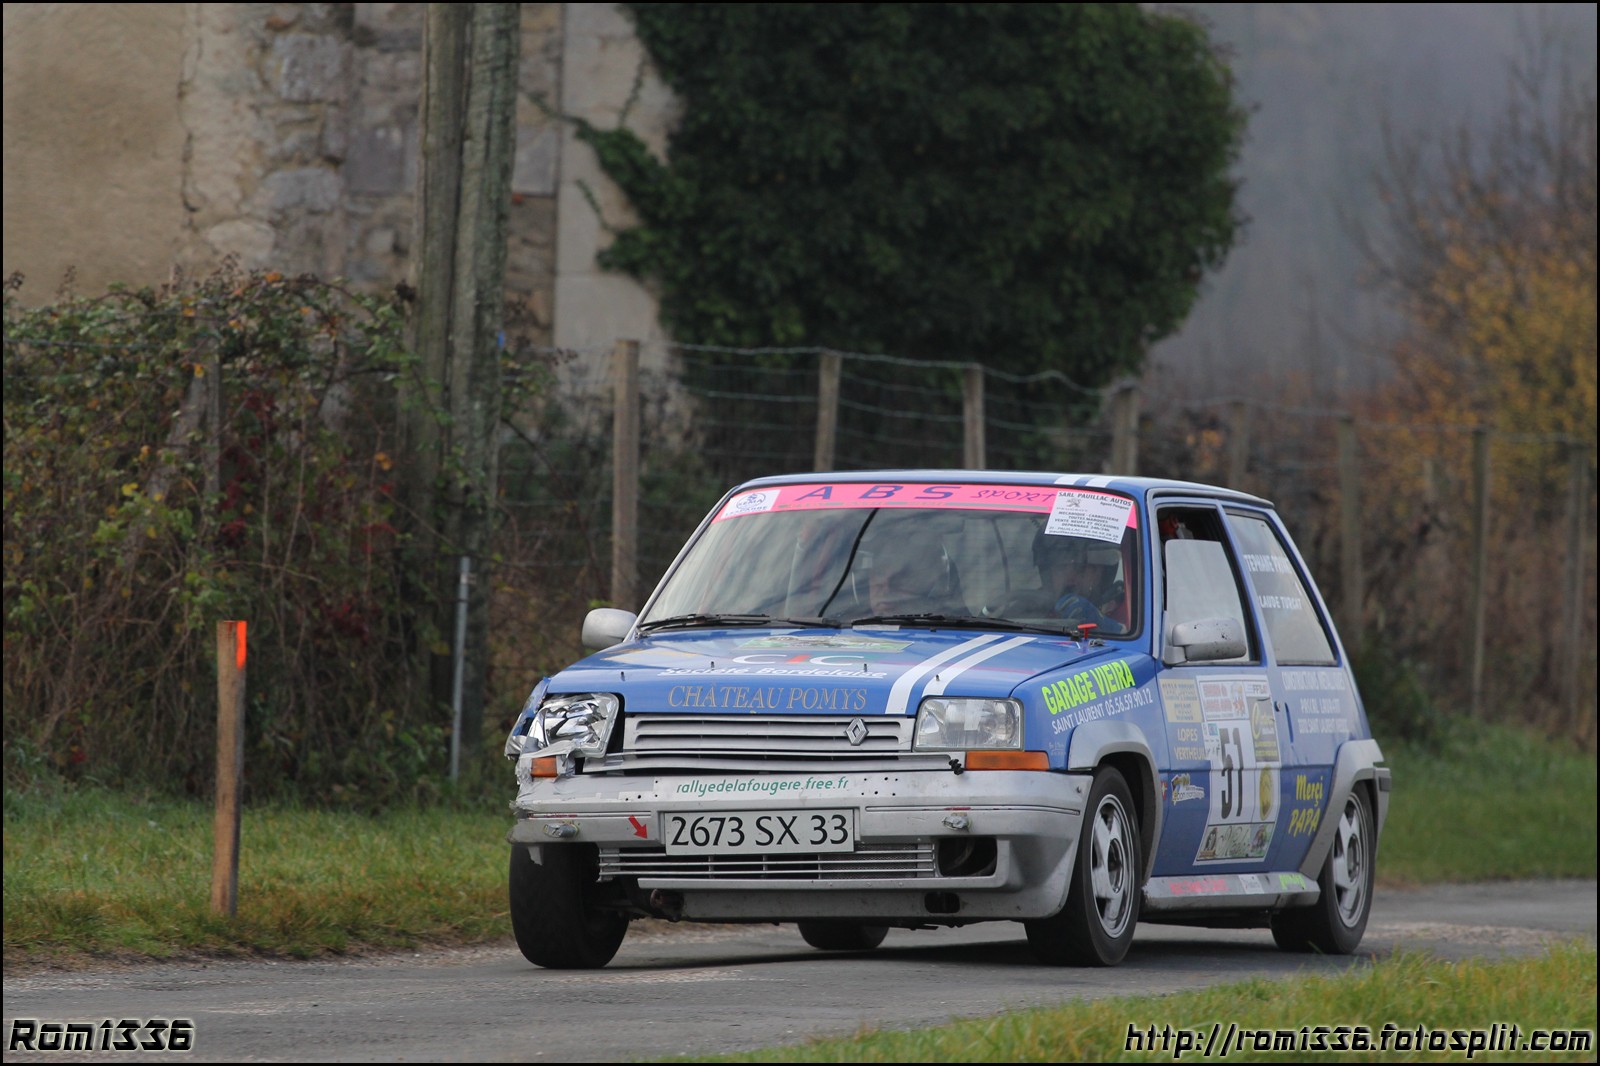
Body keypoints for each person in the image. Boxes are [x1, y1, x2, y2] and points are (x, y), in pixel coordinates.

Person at [1031, 529, 1125, 633]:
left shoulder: (1127, 610)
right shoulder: (1032, 610)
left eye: (1081, 568)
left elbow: (1138, 644)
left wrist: (1105, 625)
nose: (1070, 577)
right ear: (1048, 575)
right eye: (1061, 568)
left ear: (1100, 573)